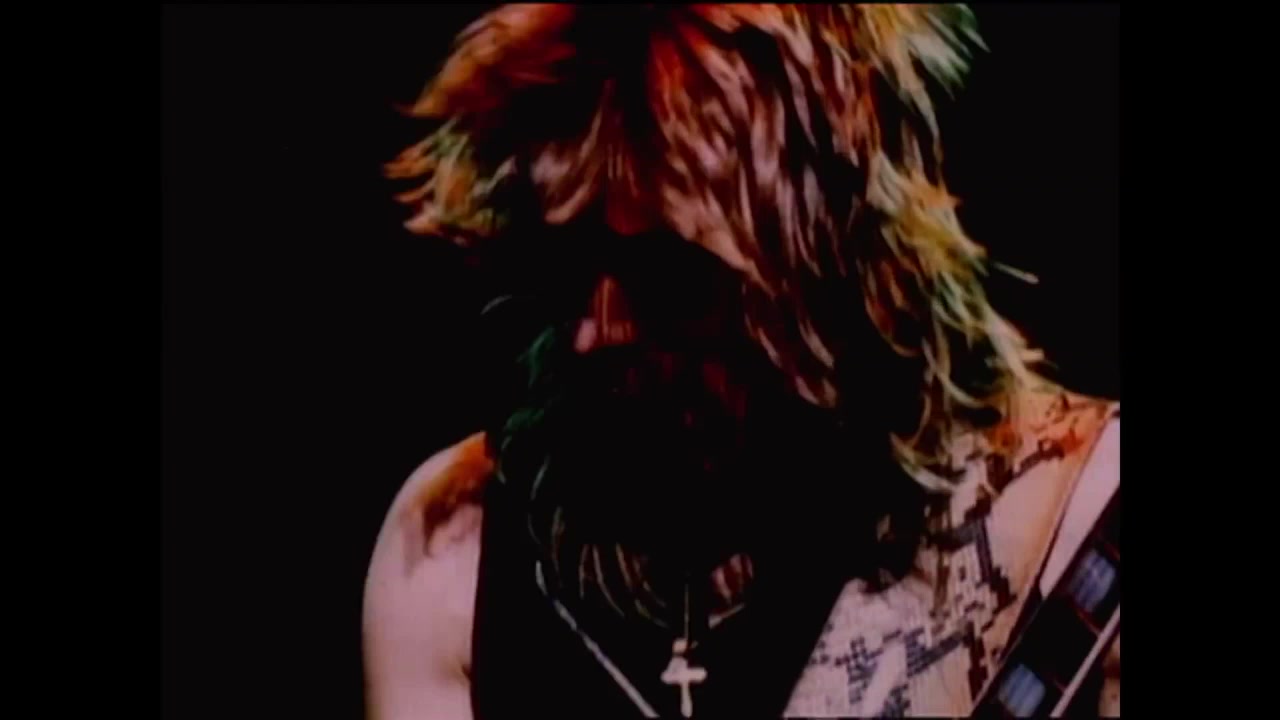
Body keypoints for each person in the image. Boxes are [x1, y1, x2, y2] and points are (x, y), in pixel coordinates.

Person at [362, 4, 1120, 718]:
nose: (598, 332)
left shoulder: (1067, 516)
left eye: (669, 279)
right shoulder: (452, 556)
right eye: (571, 262)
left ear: (828, 264)